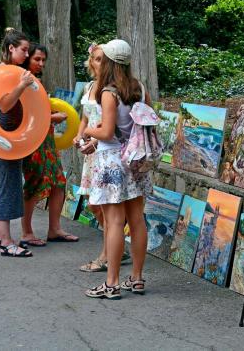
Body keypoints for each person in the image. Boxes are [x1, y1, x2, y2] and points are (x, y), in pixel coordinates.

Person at [82, 39, 152, 299]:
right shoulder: (140, 88)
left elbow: (106, 132)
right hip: (136, 162)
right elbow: (148, 122)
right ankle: (136, 278)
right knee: (136, 220)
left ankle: (111, 283)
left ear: (110, 61)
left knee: (113, 222)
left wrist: (88, 132)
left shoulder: (108, 92)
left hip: (111, 161)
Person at [75, 43, 129, 273]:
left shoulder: (110, 90)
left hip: (105, 152)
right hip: (92, 154)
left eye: (102, 59)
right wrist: (79, 136)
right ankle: (114, 250)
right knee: (94, 204)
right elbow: (86, 118)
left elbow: (108, 128)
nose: (98, 63)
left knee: (106, 207)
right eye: (95, 59)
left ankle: (107, 255)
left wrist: (92, 138)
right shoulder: (89, 87)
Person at [19, 42, 79, 247]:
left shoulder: (35, 81)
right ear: (27, 58)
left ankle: (54, 229)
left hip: (47, 141)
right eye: (37, 59)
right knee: (34, 184)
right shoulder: (23, 80)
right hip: (33, 142)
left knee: (59, 183)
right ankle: (26, 231)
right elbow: (26, 115)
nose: (41, 63)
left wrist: (51, 116)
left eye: (43, 60)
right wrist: (54, 118)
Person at [0, 27, 34, 257]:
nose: (27, 55)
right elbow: (4, 105)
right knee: (9, 185)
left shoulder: (11, 71)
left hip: (10, 133)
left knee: (9, 183)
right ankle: (7, 241)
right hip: (5, 134)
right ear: (11, 48)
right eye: (24, 50)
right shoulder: (2, 73)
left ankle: (1, 237)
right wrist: (22, 85)